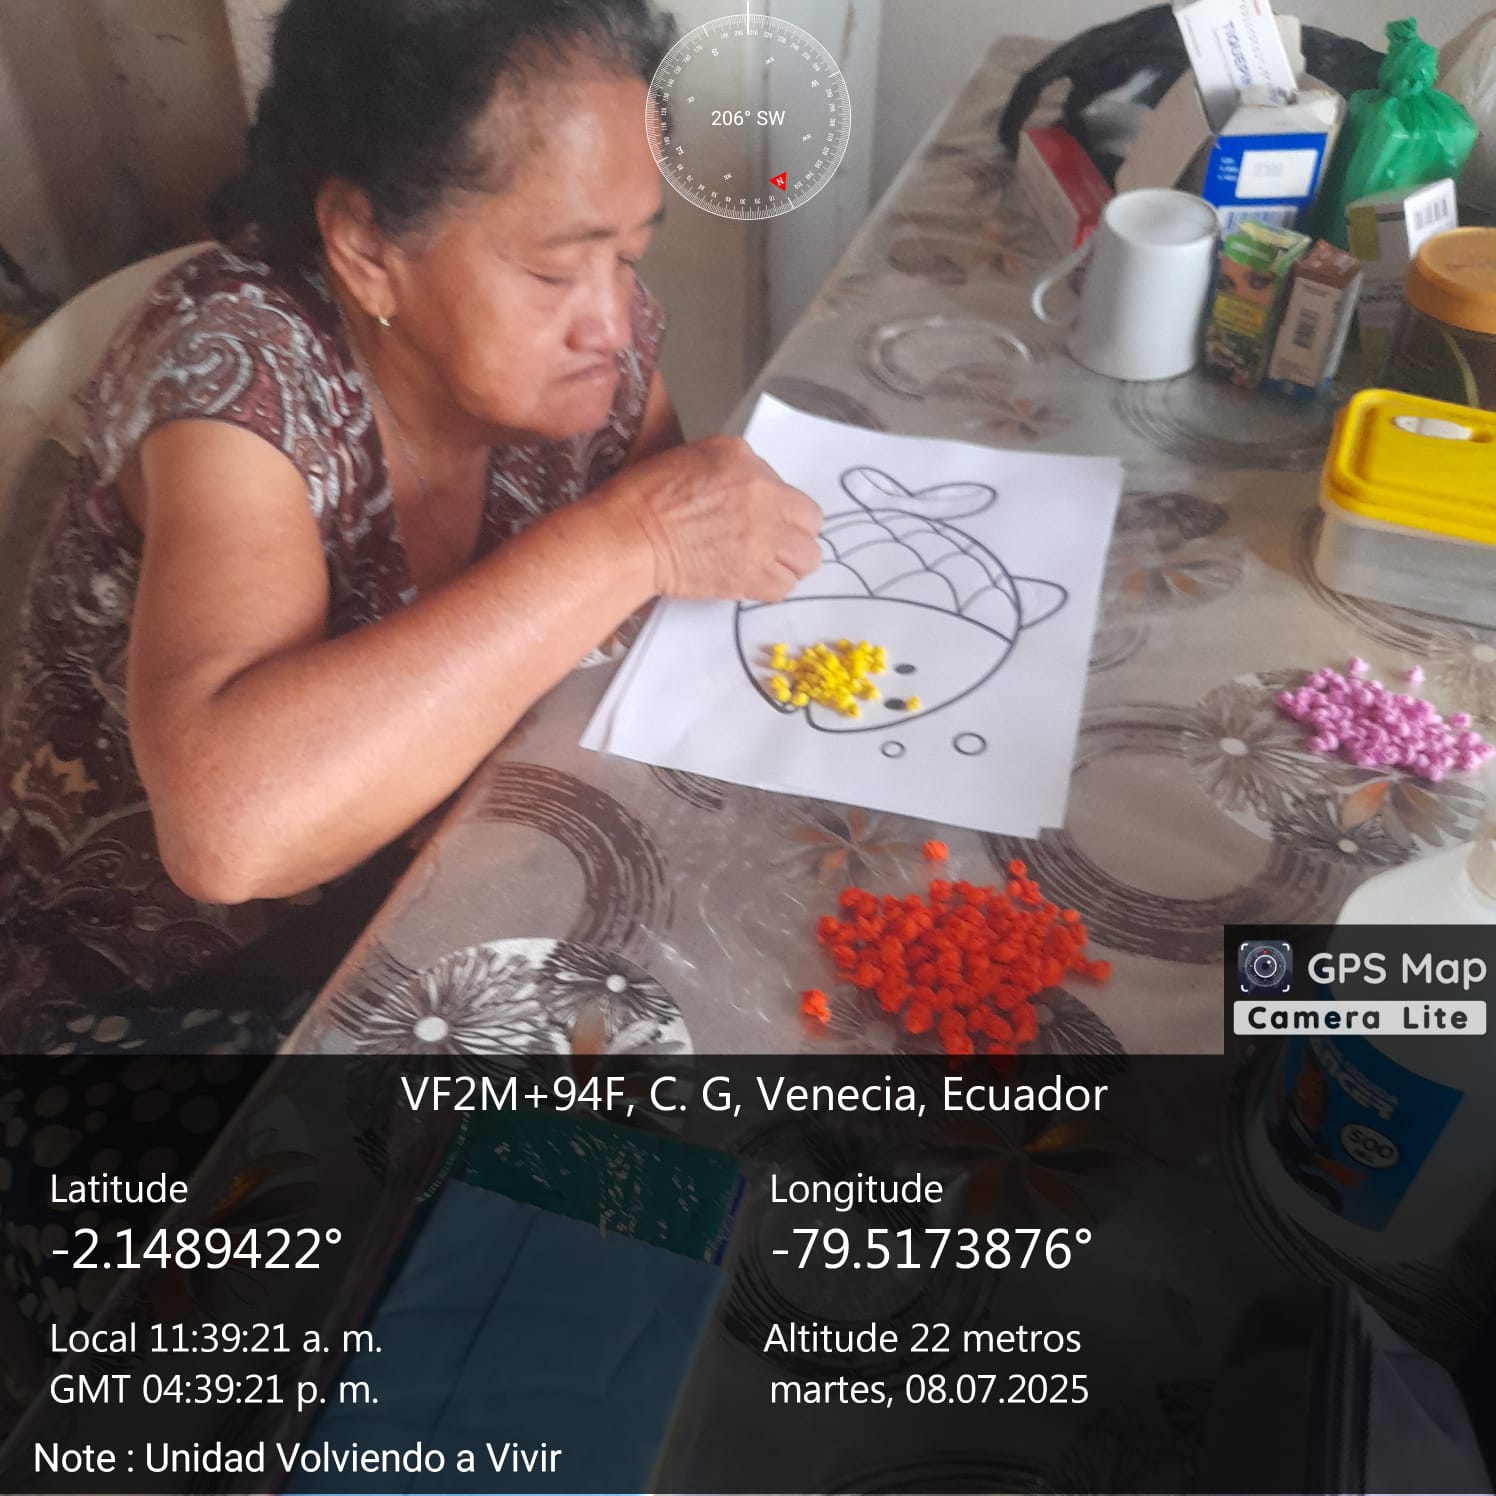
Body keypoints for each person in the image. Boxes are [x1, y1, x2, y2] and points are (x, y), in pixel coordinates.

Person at [0, 0, 823, 1054]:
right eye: (553, 271)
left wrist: (687, 539)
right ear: (366, 247)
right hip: (168, 993)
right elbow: (229, 836)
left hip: (445, 886)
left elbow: (665, 626)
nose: (615, 323)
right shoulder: (235, 370)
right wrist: (626, 539)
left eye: (628, 254)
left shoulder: (581, 354)